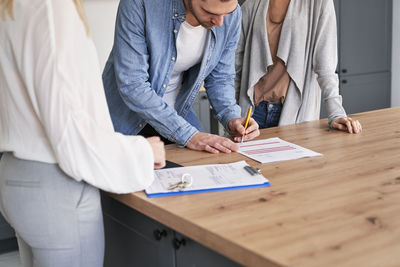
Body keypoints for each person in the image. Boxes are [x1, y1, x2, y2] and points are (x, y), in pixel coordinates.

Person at [0, 0, 165, 266]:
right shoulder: (51, 7)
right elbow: (69, 129)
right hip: (56, 186)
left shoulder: (14, 6)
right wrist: (143, 152)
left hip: (20, 177)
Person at [102, 0, 260, 154]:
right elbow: (133, 85)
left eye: (227, 13)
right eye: (209, 12)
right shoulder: (139, 4)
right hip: (125, 115)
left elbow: (221, 77)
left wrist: (231, 116)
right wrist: (189, 135)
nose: (219, 22)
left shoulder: (231, 16)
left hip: (177, 113)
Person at [235, 0, 362, 133]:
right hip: (252, 113)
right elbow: (235, 66)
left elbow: (326, 66)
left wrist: (336, 113)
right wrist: (234, 113)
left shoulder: (319, 3)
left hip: (295, 112)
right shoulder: (250, 5)